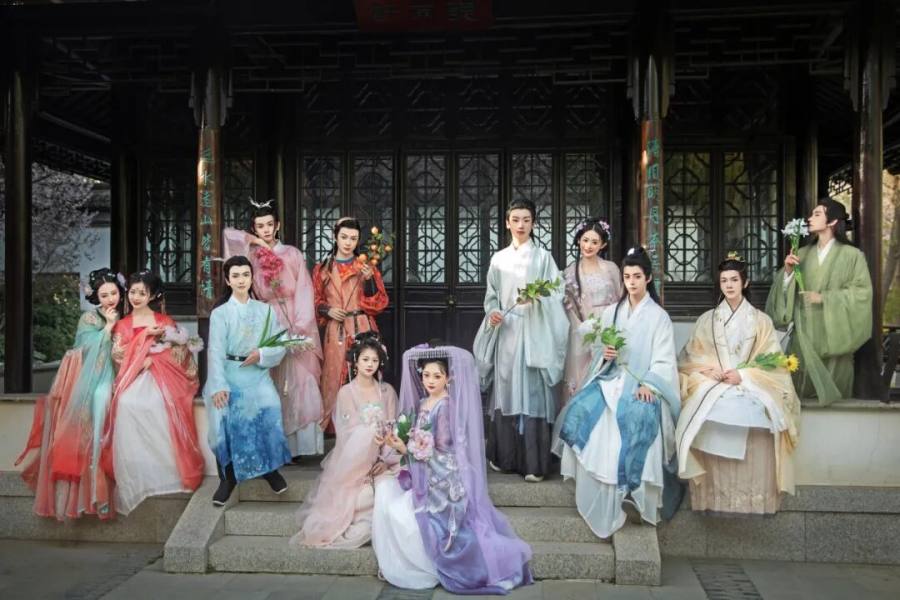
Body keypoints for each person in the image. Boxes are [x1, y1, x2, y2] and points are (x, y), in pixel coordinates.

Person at [374, 344, 533, 594]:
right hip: (425, 468)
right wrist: (397, 443)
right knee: (386, 492)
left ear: (448, 378)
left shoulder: (445, 406)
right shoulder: (424, 402)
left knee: (400, 510)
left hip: (442, 475)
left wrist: (406, 449)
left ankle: (428, 566)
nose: (430, 381)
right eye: (426, 375)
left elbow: (443, 448)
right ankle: (407, 564)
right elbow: (418, 443)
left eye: (437, 376)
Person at [553, 247, 682, 538]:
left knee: (639, 416)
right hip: (613, 378)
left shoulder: (659, 317)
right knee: (580, 407)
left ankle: (632, 489)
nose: (631, 282)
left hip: (643, 383)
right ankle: (599, 483)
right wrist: (606, 353)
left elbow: (664, 360)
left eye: (637, 276)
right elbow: (599, 348)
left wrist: (650, 384)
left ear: (648, 278)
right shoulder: (612, 313)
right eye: (627, 277)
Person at [677, 253, 801, 515]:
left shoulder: (761, 321)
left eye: (734, 280)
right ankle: (713, 498)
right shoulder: (707, 319)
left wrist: (743, 376)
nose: (729, 285)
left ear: (745, 283)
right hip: (714, 382)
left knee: (759, 415)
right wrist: (707, 369)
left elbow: (774, 363)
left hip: (750, 384)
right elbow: (690, 356)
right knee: (706, 413)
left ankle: (753, 499)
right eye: (724, 281)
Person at [17, 268, 125, 520]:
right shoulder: (89, 319)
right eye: (104, 295)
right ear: (96, 296)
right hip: (92, 379)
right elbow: (84, 349)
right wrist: (108, 328)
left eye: (114, 293)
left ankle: (106, 481)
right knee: (96, 409)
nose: (110, 299)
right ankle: (96, 486)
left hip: (116, 376)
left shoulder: (125, 317)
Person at [473, 199, 568, 482]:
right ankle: (505, 458)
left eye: (526, 220)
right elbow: (491, 296)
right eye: (515, 219)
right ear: (507, 223)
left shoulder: (543, 258)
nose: (521, 225)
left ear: (534, 223)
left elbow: (558, 291)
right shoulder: (498, 259)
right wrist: (493, 313)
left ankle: (534, 464)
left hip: (534, 330)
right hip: (507, 331)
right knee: (506, 391)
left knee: (532, 392)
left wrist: (538, 299)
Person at [223, 199, 324, 458]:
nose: (266, 230)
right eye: (260, 226)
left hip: (294, 312)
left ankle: (299, 447)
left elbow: (304, 290)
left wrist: (300, 327)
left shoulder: (292, 253)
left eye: (270, 224)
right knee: (270, 379)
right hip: (265, 316)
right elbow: (228, 237)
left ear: (277, 225)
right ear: (254, 228)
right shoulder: (251, 256)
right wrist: (256, 243)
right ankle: (273, 445)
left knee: (299, 378)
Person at [103, 271, 204, 516]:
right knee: (126, 404)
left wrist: (155, 359)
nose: (136, 297)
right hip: (134, 377)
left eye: (142, 293)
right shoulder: (123, 324)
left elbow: (180, 354)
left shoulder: (164, 321)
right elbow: (118, 356)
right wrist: (141, 356)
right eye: (133, 292)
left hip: (162, 377)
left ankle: (166, 469)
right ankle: (137, 469)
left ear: (152, 296)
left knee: (159, 404)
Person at [291, 332, 398, 548]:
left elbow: (393, 428)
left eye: (375, 360)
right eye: (365, 359)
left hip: (385, 459)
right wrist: (369, 448)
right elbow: (348, 434)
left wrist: (385, 460)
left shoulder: (386, 391)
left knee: (391, 491)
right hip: (355, 463)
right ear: (355, 361)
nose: (370, 364)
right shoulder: (346, 393)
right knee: (359, 499)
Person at [203, 256, 294, 506]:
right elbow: (215, 351)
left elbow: (280, 342)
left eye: (245, 275)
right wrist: (218, 386)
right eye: (235, 276)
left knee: (270, 406)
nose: (241, 280)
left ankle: (270, 469)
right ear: (227, 280)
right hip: (228, 372)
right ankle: (228, 476)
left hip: (257, 371)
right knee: (222, 418)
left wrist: (262, 354)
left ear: (252, 277)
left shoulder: (265, 310)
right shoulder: (220, 313)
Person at [765, 199, 873, 405]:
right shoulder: (801, 254)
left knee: (836, 400)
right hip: (804, 336)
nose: (809, 218)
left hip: (835, 337)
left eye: (816, 214)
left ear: (832, 221)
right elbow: (782, 295)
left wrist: (825, 298)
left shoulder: (853, 256)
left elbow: (862, 294)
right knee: (800, 398)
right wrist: (787, 272)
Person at [312, 217, 389, 430]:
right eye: (344, 237)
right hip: (335, 328)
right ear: (335, 237)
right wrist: (327, 310)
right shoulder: (322, 269)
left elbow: (379, 302)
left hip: (362, 326)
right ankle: (335, 428)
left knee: (365, 372)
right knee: (333, 376)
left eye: (353, 238)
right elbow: (315, 300)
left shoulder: (366, 266)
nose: (348, 243)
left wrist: (370, 279)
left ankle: (368, 425)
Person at [561, 218, 622, 404]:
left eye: (595, 242)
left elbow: (621, 299)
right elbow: (570, 309)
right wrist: (584, 329)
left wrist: (615, 331)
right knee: (583, 381)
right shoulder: (570, 272)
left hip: (610, 330)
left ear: (603, 244)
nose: (588, 246)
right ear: (579, 240)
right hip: (584, 334)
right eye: (585, 240)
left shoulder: (611, 268)